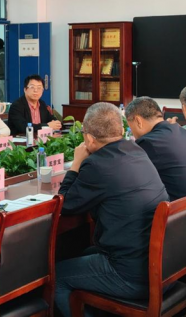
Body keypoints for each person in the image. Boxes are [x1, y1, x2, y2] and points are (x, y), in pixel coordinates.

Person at [55, 102, 169, 317]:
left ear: (89, 138)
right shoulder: (137, 150)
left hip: (131, 274)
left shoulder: (96, 164)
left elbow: (65, 204)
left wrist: (76, 164)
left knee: (57, 276)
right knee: (83, 253)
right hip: (160, 265)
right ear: (120, 129)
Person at [125, 96, 186, 245]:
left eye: (131, 127)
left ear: (138, 121)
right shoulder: (181, 131)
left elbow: (128, 177)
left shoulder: (149, 142)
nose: (133, 134)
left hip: (183, 237)